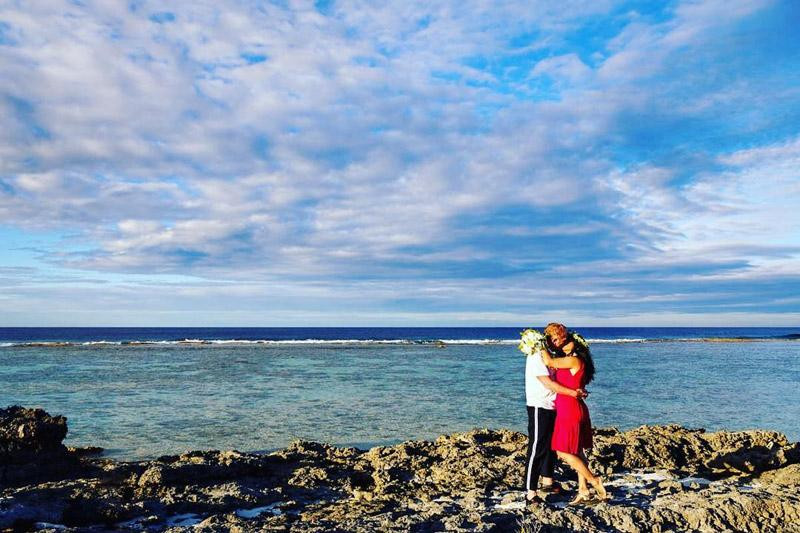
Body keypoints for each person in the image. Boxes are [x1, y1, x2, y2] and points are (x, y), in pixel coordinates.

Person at [539, 323, 608, 504]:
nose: (554, 343)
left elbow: (548, 361)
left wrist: (536, 344)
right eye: (550, 340)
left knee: (562, 451)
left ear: (568, 340)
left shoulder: (574, 359)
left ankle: (594, 480)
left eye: (555, 339)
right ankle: (583, 490)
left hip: (570, 409)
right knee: (577, 451)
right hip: (571, 406)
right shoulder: (570, 360)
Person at [525, 323, 587, 503]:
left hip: (555, 406)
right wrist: (573, 393)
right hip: (539, 404)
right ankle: (530, 492)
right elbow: (548, 383)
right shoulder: (537, 354)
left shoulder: (553, 354)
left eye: (564, 338)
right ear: (551, 338)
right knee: (536, 447)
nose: (562, 342)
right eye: (559, 338)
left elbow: (566, 376)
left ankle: (548, 481)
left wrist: (577, 389)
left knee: (551, 447)